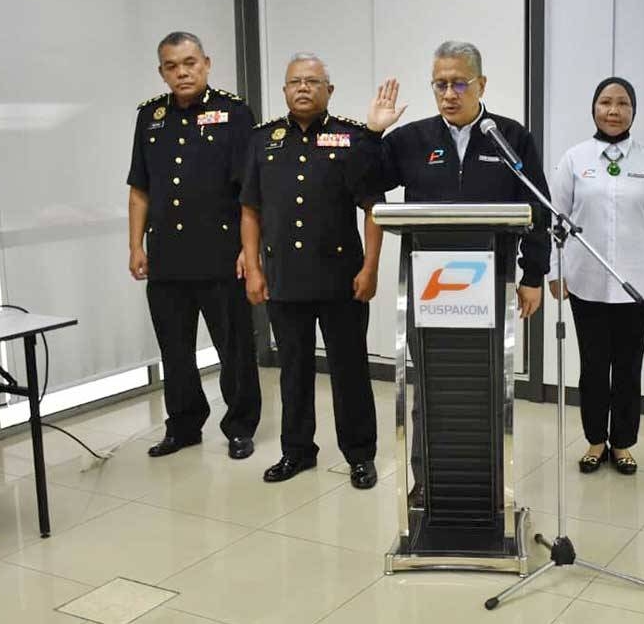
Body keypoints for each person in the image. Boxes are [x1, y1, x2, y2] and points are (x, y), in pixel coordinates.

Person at [366, 40, 552, 505]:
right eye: (440, 84)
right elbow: (363, 185)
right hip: (427, 286)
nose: (449, 93)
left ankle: (485, 479)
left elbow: (538, 208)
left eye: (459, 83)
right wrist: (373, 135)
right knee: (430, 386)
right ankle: (427, 480)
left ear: (481, 84)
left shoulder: (509, 137)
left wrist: (533, 275)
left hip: (492, 284)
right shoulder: (410, 140)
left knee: (487, 386)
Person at [240, 53, 382, 489]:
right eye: (295, 82)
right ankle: (297, 452)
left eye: (313, 81)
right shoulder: (263, 140)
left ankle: (359, 455)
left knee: (349, 370)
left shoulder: (351, 139)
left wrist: (370, 267)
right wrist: (253, 269)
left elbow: (373, 209)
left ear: (329, 91)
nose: (303, 88)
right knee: (293, 371)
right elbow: (250, 209)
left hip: (342, 277)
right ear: (284, 91)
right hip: (285, 277)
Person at [127, 31, 261, 460]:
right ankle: (183, 425)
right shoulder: (150, 117)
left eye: (189, 63)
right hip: (167, 258)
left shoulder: (234, 113)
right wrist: (135, 245)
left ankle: (240, 426)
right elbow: (139, 191)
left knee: (234, 349)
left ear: (207, 63)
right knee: (175, 350)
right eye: (172, 65)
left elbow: (250, 192)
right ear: (161, 71)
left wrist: (250, 251)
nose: (182, 72)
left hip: (222, 257)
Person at [547, 77, 644, 475]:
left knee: (627, 367)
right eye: (605, 102)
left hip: (637, 284)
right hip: (585, 281)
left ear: (633, 111)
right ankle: (594, 441)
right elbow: (556, 220)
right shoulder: (574, 158)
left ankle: (622, 443)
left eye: (622, 103)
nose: (613, 110)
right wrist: (555, 271)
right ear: (593, 108)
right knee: (592, 366)